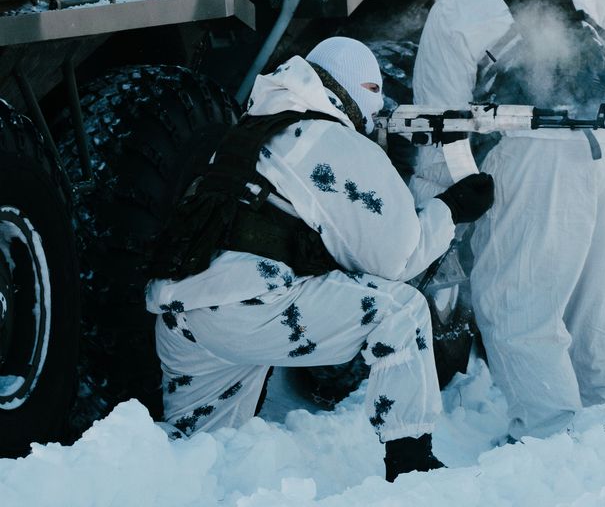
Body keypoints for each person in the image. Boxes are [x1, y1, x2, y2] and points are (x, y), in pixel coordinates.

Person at [146, 37, 495, 480]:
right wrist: (453, 209)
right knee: (401, 313)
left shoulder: (254, 129)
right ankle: (413, 468)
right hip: (250, 311)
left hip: (184, 317)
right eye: (375, 99)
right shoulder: (330, 139)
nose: (374, 117)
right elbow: (397, 261)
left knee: (200, 456)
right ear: (361, 89)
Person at [411, 0, 605, 440]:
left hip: (533, 155)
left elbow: (440, 124)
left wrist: (438, 206)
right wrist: (597, 102)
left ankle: (549, 436)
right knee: (597, 303)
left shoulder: (456, 6)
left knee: (516, 301)